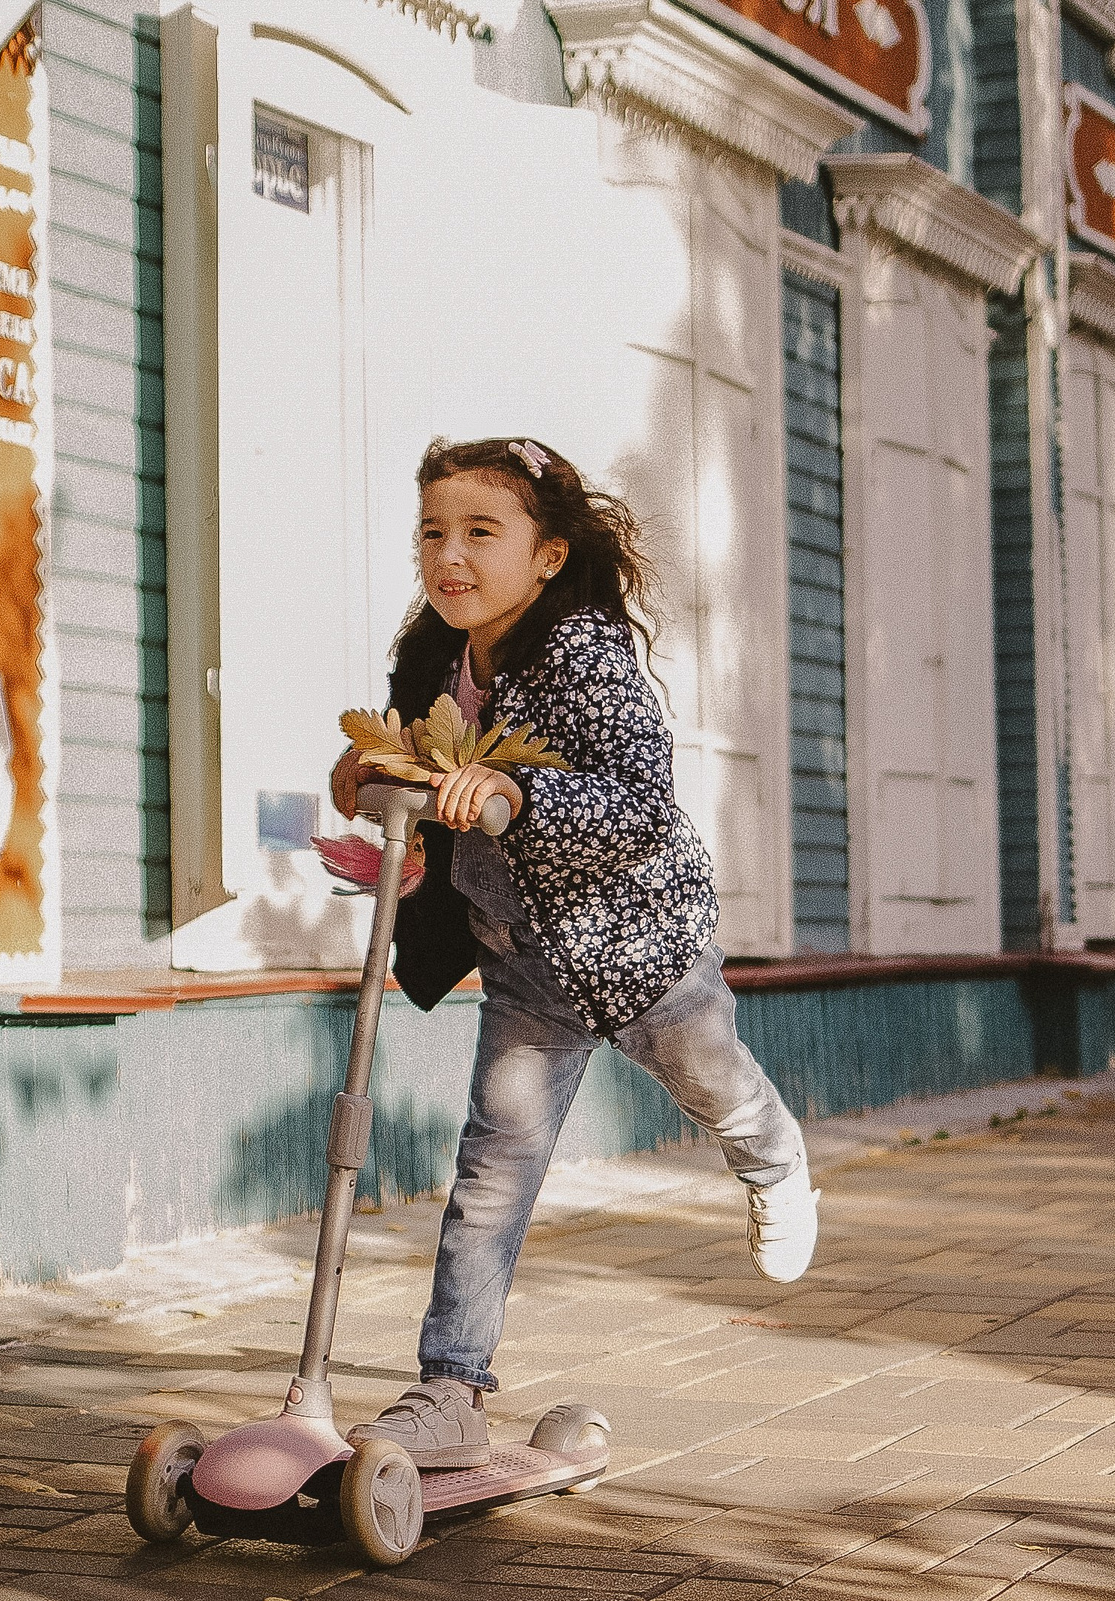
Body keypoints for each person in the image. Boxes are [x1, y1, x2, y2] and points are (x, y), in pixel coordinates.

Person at [329, 435, 818, 1470]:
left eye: (480, 532)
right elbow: (400, 753)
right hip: (524, 965)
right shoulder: (435, 659)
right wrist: (365, 767)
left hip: (640, 952)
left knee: (714, 1083)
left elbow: (641, 805)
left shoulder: (583, 653)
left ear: (548, 555)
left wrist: (520, 792)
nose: (449, 555)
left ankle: (773, 1157)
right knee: (491, 1174)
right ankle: (450, 1389)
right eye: (432, 533)